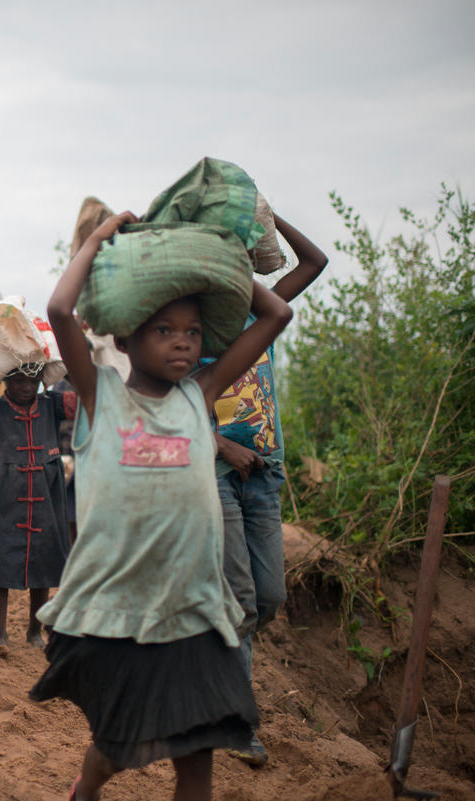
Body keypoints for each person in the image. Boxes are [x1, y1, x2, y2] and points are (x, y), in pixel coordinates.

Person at [33, 209, 293, 801]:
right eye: (164, 329)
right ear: (125, 337)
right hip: (120, 608)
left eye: (193, 332)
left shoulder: (199, 396)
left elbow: (276, 312)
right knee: (119, 743)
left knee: (196, 754)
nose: (182, 340)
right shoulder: (101, 397)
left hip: (194, 607)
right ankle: (89, 785)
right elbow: (58, 312)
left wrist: (212, 249)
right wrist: (100, 239)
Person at [205, 213, 328, 767]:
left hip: (266, 471)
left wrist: (263, 213)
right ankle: (235, 722)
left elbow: (314, 263)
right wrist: (222, 446)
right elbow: (173, 406)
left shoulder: (263, 314)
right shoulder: (196, 329)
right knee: (242, 600)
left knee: (269, 598)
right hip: (217, 473)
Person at [0, 361, 79, 658]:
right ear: (5, 381)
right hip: (5, 494)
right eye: (19, 381)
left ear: (42, 379)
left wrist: (72, 364)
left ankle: (34, 631)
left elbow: (84, 401)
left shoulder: (52, 403)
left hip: (46, 492)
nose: (27, 387)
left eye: (33, 380)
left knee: (43, 560)